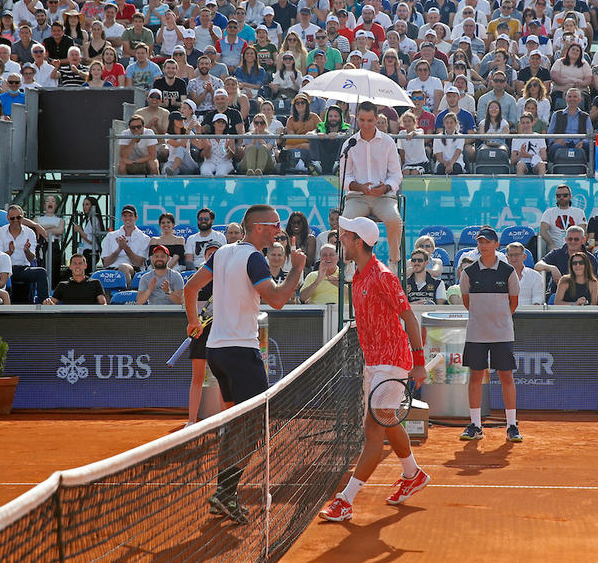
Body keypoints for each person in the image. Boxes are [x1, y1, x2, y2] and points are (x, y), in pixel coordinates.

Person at [183, 204, 304, 522]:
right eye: (276, 225)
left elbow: (190, 287)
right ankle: (225, 493)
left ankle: (223, 492)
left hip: (217, 353)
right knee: (251, 427)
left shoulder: (222, 253)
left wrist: (193, 321)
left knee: (236, 424)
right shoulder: (253, 257)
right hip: (240, 353)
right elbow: (276, 299)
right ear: (260, 227)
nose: (279, 229)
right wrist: (298, 268)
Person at [319, 216, 428, 522]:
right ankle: (413, 474)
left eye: (346, 236)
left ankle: (345, 500)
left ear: (359, 242)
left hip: (392, 361)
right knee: (388, 420)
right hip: (374, 362)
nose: (341, 239)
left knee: (373, 429)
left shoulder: (383, 276)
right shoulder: (358, 276)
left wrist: (418, 363)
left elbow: (410, 319)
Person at [458, 227, 523, 443]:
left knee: (506, 377)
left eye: (488, 241)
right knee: (476, 377)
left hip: (502, 333)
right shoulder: (468, 273)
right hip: (476, 333)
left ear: (496, 245)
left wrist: (498, 320)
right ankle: (475, 425)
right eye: (480, 242)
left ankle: (512, 425)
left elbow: (513, 303)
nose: (483, 245)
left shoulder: (508, 272)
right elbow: (468, 302)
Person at [339, 101, 403, 269]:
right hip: (357, 198)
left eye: (369, 120)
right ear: (356, 119)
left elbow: (396, 175)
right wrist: (359, 187)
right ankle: (348, 264)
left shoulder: (388, 142)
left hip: (383, 198)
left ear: (376, 119)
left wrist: (386, 187)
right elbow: (343, 178)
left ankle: (394, 263)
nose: (365, 124)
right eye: (361, 120)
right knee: (344, 222)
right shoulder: (349, 144)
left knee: (394, 221)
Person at [184, 242, 221, 426]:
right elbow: (190, 301)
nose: (212, 256)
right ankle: (191, 422)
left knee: (222, 378)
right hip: (200, 332)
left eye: (216, 253)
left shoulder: (226, 279)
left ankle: (225, 422)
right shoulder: (196, 279)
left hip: (221, 332)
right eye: (209, 254)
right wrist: (196, 321)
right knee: (197, 377)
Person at [536, 225, 598, 294]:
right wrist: (552, 268)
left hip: (582, 295)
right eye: (570, 239)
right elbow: (538, 266)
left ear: (583, 240)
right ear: (566, 239)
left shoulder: (590, 258)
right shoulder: (557, 253)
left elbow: (593, 282)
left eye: (576, 239)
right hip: (557, 294)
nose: (573, 242)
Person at [100, 204, 150, 286]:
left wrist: (126, 247)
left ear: (136, 217)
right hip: (112, 269)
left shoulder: (144, 238)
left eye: (130, 216)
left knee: (123, 267)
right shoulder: (111, 236)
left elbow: (138, 263)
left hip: (133, 269)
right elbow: (106, 263)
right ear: (122, 218)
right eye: (125, 216)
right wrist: (119, 249)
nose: (127, 218)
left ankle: (126, 294)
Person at [539, 184, 587, 252]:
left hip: (574, 246)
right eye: (559, 196)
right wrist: (551, 243)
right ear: (556, 197)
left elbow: (582, 231)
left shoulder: (579, 212)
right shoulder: (549, 212)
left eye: (565, 195)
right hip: (555, 248)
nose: (562, 198)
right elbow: (543, 231)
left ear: (570, 196)